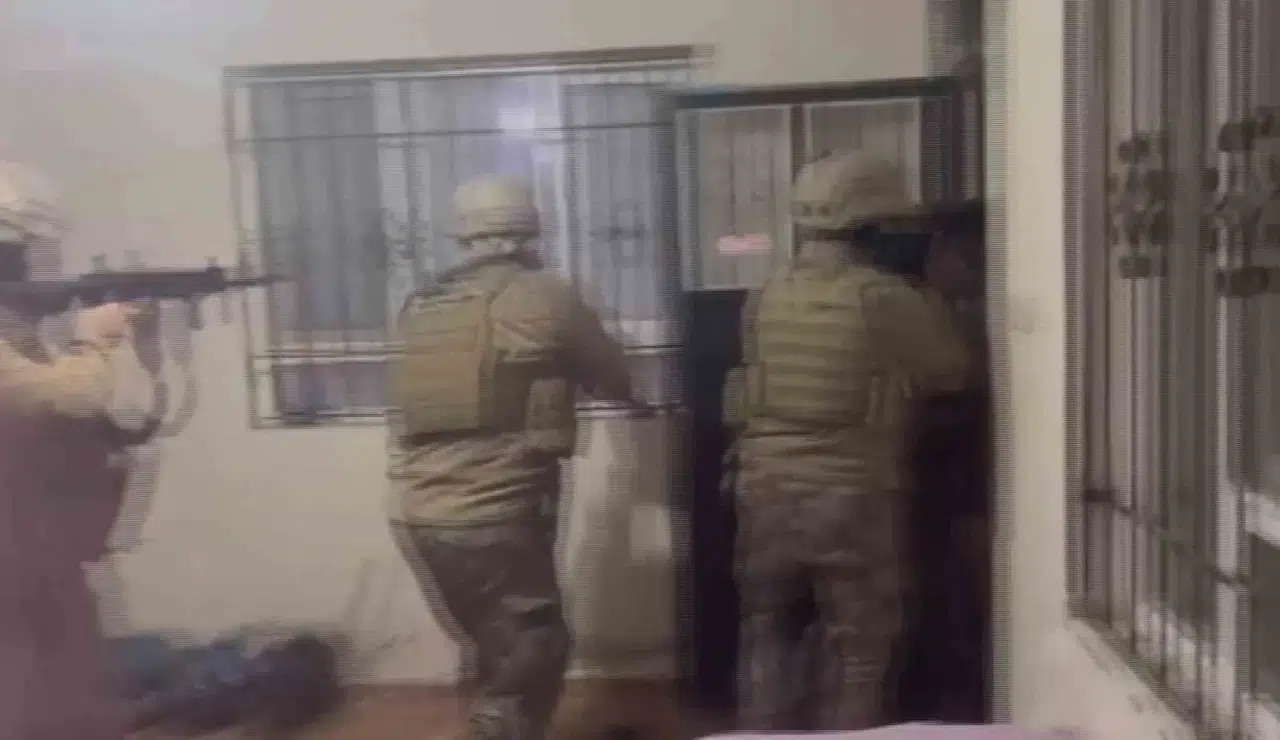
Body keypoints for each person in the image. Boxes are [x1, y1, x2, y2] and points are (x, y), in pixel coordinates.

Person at [722, 150, 972, 731]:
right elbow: (954, 371)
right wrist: (938, 294)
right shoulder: (885, 299)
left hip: (763, 491)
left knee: (767, 632)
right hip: (850, 498)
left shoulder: (766, 295)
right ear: (873, 224)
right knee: (860, 648)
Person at [387, 175, 640, 740]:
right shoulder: (546, 294)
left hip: (418, 515)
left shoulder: (423, 303)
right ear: (529, 228)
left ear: (462, 234)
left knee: (495, 642)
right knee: (534, 647)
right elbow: (614, 378)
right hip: (495, 512)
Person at [0, 160, 163, 740]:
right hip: (18, 553)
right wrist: (93, 339)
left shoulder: (17, 337)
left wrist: (140, 351)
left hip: (35, 544)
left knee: (65, 682)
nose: (29, 270)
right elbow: (68, 397)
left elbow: (75, 422)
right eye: (17, 257)